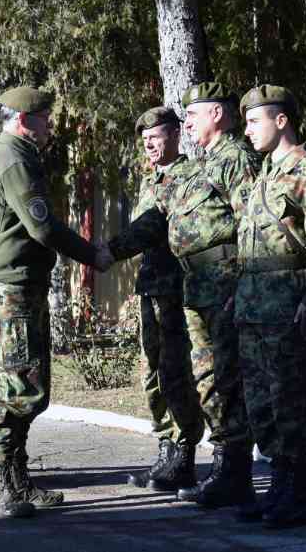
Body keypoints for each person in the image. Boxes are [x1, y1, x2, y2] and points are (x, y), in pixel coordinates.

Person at [104, 82, 260, 508]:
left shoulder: (234, 160)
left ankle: (233, 469)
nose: (188, 122)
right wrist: (107, 252)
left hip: (219, 284)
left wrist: (243, 281)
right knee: (201, 378)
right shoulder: (198, 167)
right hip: (195, 285)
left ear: (216, 115)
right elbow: (155, 224)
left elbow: (251, 224)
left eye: (192, 115)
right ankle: (210, 465)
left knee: (223, 378)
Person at [0, 86, 112, 518]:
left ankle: (18, 480)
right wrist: (95, 255)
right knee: (18, 388)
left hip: (20, 282)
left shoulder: (18, 155)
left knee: (31, 386)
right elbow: (42, 227)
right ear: (23, 120)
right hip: (10, 286)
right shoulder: (14, 157)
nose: (51, 126)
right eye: (45, 119)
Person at [232, 85, 306, 528]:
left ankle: (297, 493)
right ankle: (279, 484)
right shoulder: (263, 175)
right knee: (261, 405)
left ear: (281, 120)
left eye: (254, 121)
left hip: (288, 306)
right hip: (252, 307)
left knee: (291, 400)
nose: (246, 130)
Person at [124, 107, 203, 492]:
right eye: (144, 141)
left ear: (174, 135)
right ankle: (165, 449)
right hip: (149, 289)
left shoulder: (189, 178)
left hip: (176, 291)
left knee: (176, 373)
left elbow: (155, 228)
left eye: (154, 137)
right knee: (151, 375)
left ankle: (184, 456)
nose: (149, 146)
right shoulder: (149, 181)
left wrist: (107, 251)